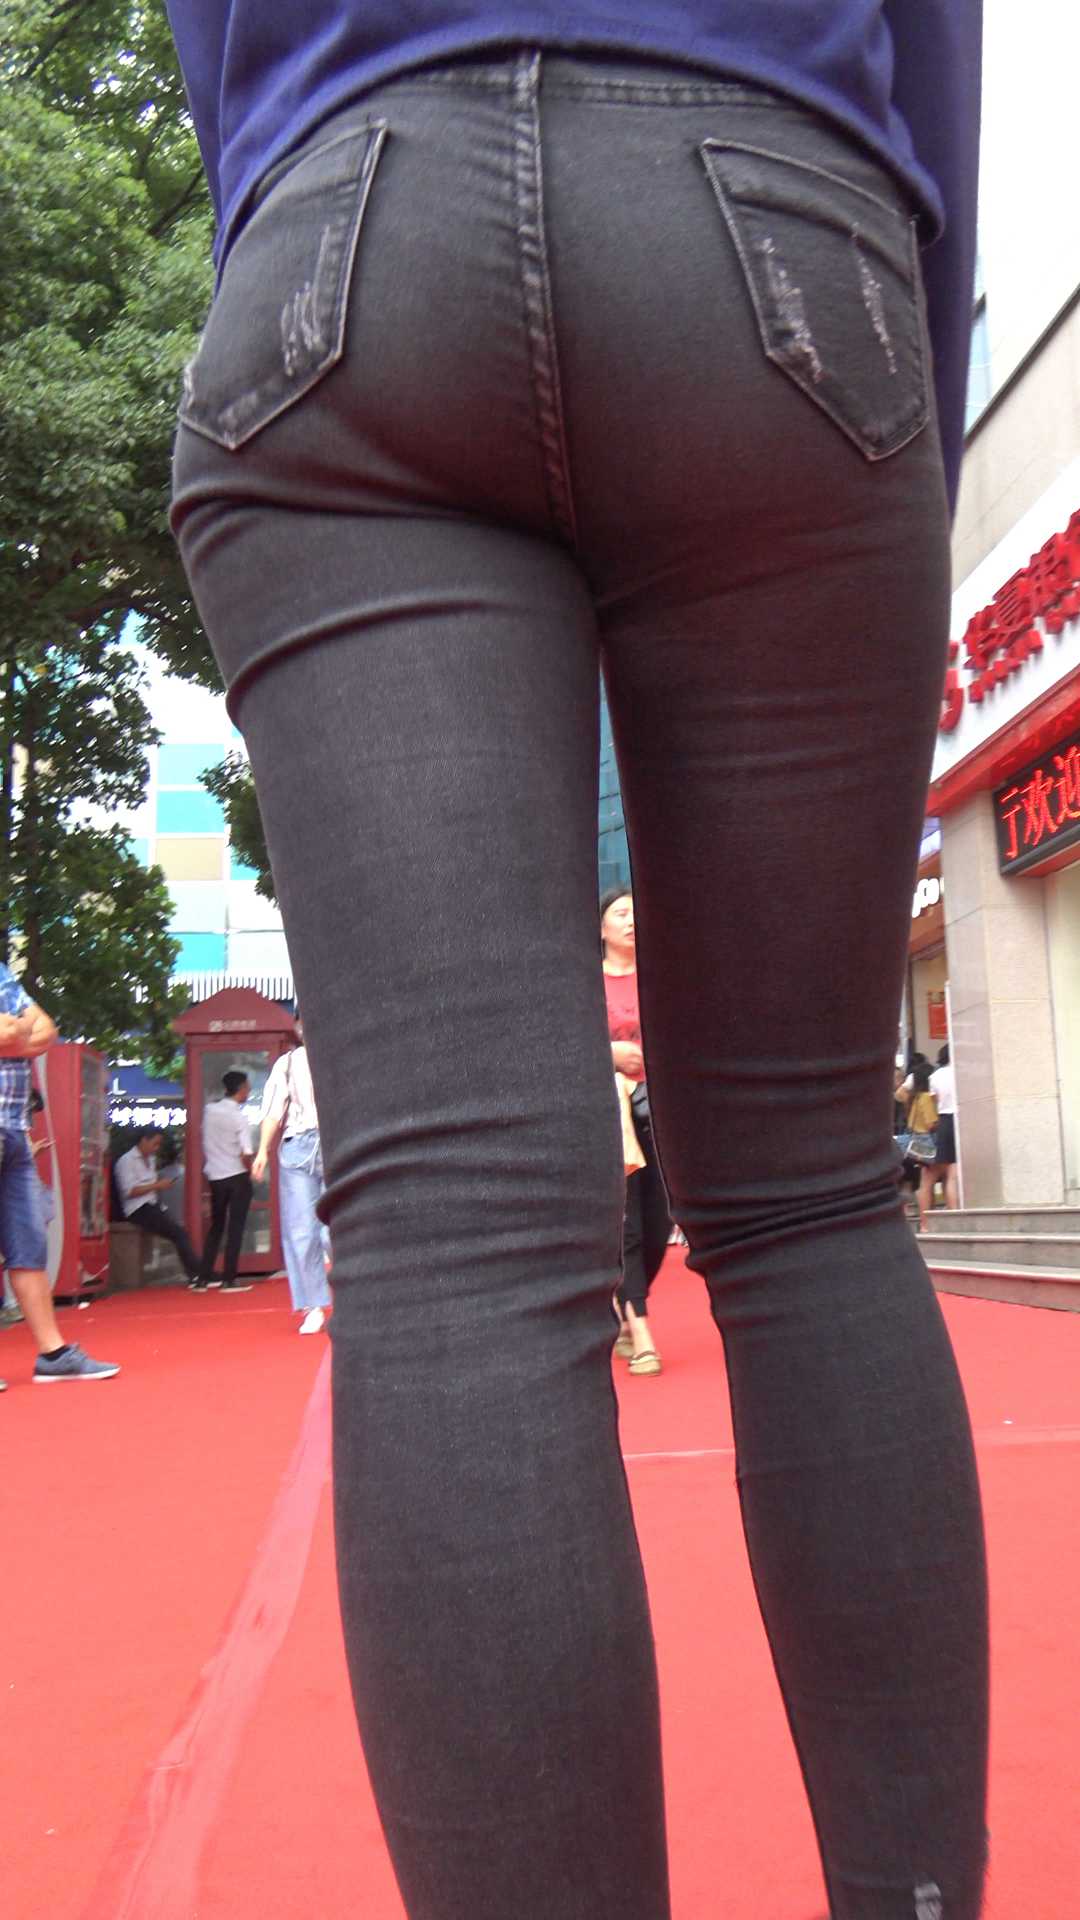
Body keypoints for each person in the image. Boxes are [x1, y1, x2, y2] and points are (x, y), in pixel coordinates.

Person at [166, 5, 989, 1916]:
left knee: (452, 1229)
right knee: (809, 1191)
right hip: (775, 199)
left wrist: (299, 215)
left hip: (343, 209)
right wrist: (900, 418)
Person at [0, 962, 119, 1387]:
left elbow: (46, 1031)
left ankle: (52, 1354)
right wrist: (18, 1030)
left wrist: (14, 1032)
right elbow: (13, 1034)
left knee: (28, 1244)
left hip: (15, 1128)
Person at [601, 887, 670, 1375]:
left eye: (634, 912)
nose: (630, 921)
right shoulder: (588, 983)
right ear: (601, 927)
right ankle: (641, 1331)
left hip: (660, 1110)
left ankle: (622, 1304)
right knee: (628, 1222)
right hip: (612, 1114)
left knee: (660, 1220)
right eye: (620, 913)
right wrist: (610, 1054)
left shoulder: (658, 977)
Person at [252, 1028, 331, 1333]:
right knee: (301, 1231)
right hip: (297, 1145)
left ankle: (353, 1291)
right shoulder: (286, 1064)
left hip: (335, 1143)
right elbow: (273, 1110)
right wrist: (262, 1149)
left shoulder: (339, 1053)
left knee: (334, 1230)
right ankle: (312, 1306)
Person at [113, 1128, 202, 1284]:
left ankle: (196, 1271)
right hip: (137, 1208)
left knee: (179, 1231)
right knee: (179, 1233)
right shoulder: (126, 1161)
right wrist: (157, 1185)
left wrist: (158, 1188)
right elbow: (129, 1191)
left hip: (153, 1204)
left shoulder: (151, 1160)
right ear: (144, 1140)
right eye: (155, 1144)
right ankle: (196, 1273)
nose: (156, 1148)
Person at [193, 1068, 255, 1292]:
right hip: (236, 1175)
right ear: (241, 1089)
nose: (249, 1091)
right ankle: (229, 1278)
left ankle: (203, 1278)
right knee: (235, 1228)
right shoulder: (239, 1117)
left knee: (216, 1227)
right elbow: (247, 1151)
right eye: (247, 1087)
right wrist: (250, 1167)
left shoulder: (209, 1110)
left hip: (215, 1176)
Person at [929, 1041, 960, 1213]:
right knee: (957, 1171)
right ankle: (958, 1209)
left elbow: (934, 1101)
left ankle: (953, 1210)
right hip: (961, 1119)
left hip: (944, 1121)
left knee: (950, 1171)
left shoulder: (934, 1077)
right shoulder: (961, 1072)